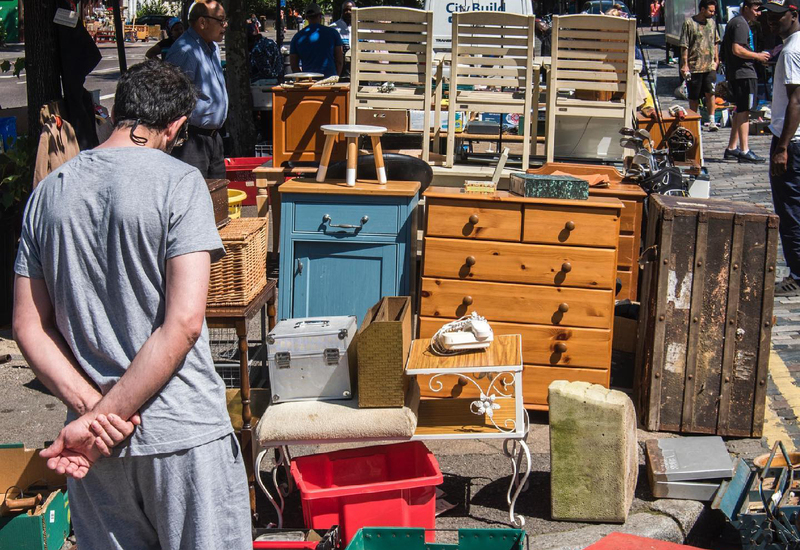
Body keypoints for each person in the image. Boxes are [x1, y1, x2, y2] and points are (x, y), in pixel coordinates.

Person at [12, 59, 251, 550]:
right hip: (181, 433)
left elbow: (29, 327)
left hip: (96, 450)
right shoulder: (180, 183)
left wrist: (91, 415)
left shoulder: (48, 193)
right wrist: (108, 416)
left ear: (116, 113)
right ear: (177, 125)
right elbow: (183, 324)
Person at [166, 1, 228, 178]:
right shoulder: (185, 51)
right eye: (221, 20)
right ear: (203, 22)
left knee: (217, 195)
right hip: (191, 139)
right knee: (194, 196)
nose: (225, 25)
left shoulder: (212, 47)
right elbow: (173, 100)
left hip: (213, 137)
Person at [766, 0, 800, 296]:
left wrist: (783, 147)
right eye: (769, 17)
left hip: (790, 140)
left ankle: (797, 275)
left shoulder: (791, 51)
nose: (773, 22)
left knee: (790, 209)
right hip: (793, 137)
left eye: (779, 17)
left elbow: (796, 101)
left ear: (794, 15)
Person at [723, 0, 771, 162]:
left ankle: (732, 147)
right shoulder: (740, 24)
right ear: (746, 9)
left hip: (740, 73)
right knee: (745, 111)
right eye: (756, 10)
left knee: (740, 110)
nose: (758, 14)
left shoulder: (739, 22)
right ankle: (744, 150)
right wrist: (757, 56)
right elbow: (737, 49)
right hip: (744, 74)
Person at [680, 0, 721, 131]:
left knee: (711, 93)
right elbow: (684, 46)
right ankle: (694, 121)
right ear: (702, 9)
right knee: (694, 97)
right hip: (694, 66)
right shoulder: (689, 23)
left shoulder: (712, 23)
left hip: (709, 66)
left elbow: (715, 41)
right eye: (710, 11)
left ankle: (712, 120)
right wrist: (684, 64)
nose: (713, 13)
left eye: (714, 11)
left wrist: (716, 59)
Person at [290, 3, 343, 78]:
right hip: (329, 80)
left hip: (309, 82)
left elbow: (294, 65)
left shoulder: (297, 37)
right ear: (320, 16)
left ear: (306, 18)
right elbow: (339, 61)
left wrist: (303, 80)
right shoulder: (333, 33)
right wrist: (336, 77)